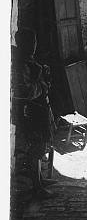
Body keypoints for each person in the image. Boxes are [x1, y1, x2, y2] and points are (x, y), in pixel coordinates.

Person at [12, 28, 57, 199]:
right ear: (21, 44)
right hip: (30, 112)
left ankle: (40, 179)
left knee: (41, 145)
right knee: (35, 147)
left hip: (40, 109)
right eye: (29, 43)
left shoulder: (30, 61)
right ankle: (36, 187)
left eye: (34, 43)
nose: (33, 46)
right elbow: (24, 91)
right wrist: (42, 82)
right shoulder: (20, 65)